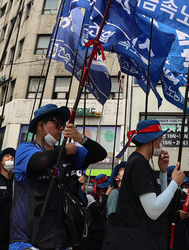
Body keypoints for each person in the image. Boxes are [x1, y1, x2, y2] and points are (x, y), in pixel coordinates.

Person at [10, 103, 107, 250]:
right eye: (57, 123)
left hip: (62, 241)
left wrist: (81, 138)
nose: (61, 128)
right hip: (28, 242)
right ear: (41, 125)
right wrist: (64, 149)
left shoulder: (67, 154)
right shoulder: (25, 149)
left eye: (63, 124)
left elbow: (100, 154)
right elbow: (40, 161)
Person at [110, 119, 185, 250]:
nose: (161, 143)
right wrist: (174, 183)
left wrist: (163, 172)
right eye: (160, 139)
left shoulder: (140, 162)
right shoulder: (139, 164)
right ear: (151, 140)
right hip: (137, 241)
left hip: (141, 239)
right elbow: (154, 210)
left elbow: (160, 203)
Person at [167, 164, 189, 250]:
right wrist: (177, 216)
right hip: (168, 239)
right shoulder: (163, 195)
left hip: (184, 240)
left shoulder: (184, 195)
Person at [81, 174, 110, 250]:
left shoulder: (101, 197)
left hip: (100, 234)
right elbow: (97, 209)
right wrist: (106, 196)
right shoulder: (90, 197)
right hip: (91, 234)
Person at [104, 161, 126, 250]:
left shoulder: (128, 194)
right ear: (117, 178)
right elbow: (112, 220)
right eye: (124, 170)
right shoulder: (115, 193)